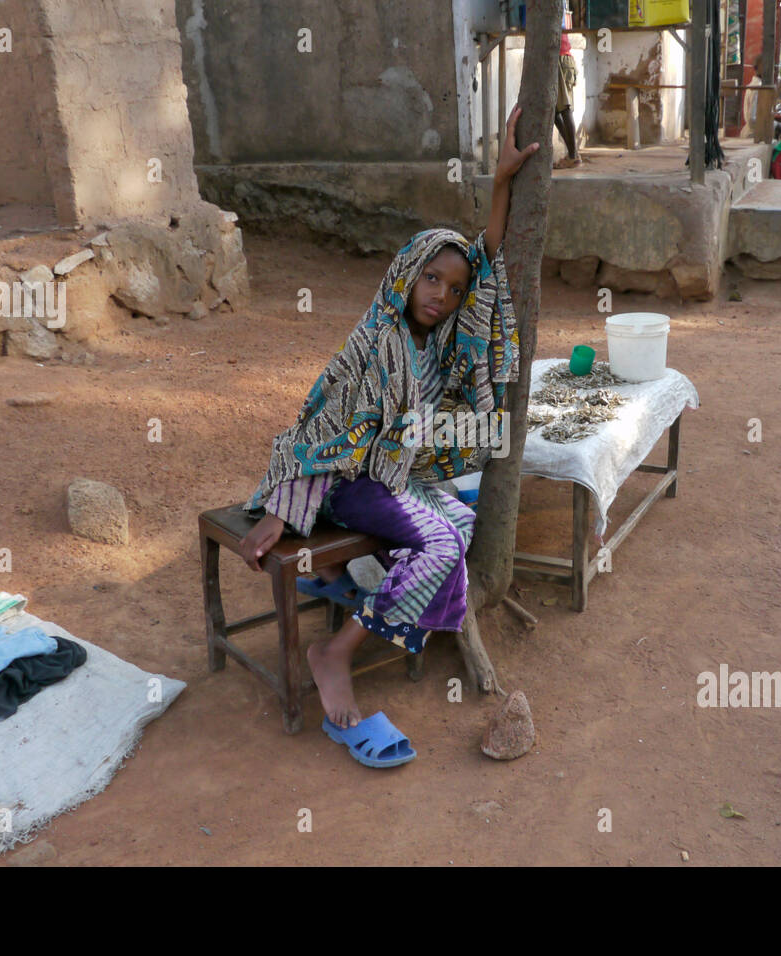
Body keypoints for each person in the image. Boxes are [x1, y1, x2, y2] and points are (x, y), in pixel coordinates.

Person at [237, 108, 537, 766]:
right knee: (440, 541)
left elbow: (486, 260)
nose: (444, 294)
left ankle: (362, 604)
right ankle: (334, 654)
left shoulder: (440, 339)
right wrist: (286, 511)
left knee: (458, 527)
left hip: (394, 479)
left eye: (454, 289)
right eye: (432, 279)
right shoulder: (376, 341)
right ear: (407, 274)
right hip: (349, 484)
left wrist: (501, 183)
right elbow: (322, 428)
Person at [553, 7, 581, 169]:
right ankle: (573, 153)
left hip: (560, 59)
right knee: (556, 111)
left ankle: (572, 156)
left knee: (564, 109)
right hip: (562, 58)